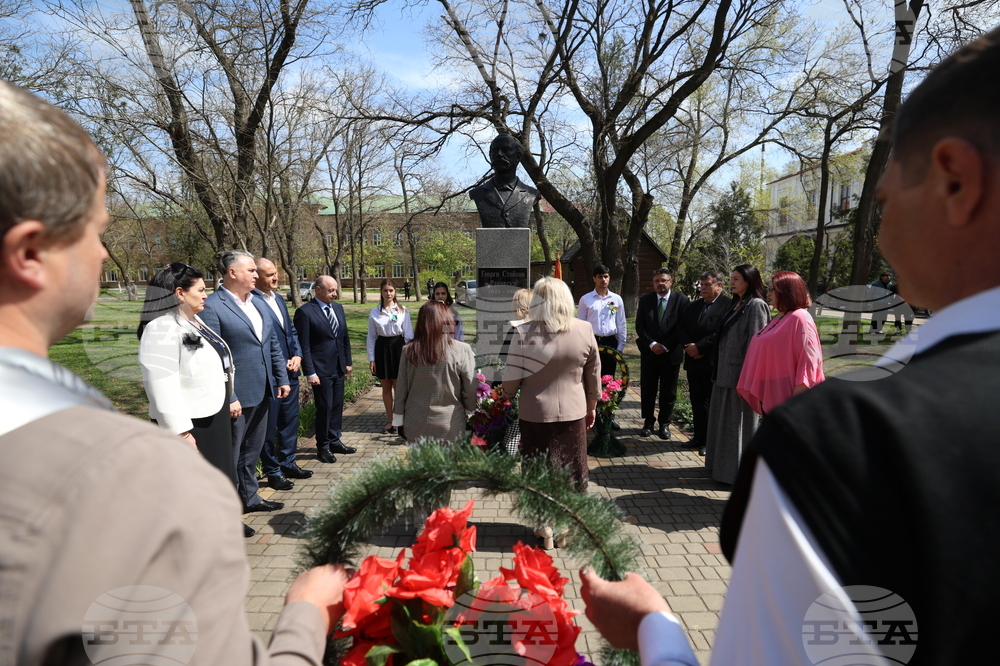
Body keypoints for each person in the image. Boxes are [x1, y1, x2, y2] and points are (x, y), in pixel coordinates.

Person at [585, 29, 1000, 664]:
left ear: (954, 180)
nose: (880, 211)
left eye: (888, 184)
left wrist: (655, 629)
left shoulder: (846, 447)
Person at [0, 78, 347, 665]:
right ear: (31, 253)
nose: (105, 255)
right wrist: (307, 613)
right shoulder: (122, 480)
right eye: (97, 230)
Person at [200, 250, 291, 514]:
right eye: (251, 270)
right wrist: (228, 396)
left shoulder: (258, 302)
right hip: (236, 395)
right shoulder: (213, 306)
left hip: (263, 389)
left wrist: (280, 378)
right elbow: (214, 355)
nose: (256, 274)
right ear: (232, 273)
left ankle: (249, 497)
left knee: (252, 450)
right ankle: (229, 506)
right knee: (233, 452)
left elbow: (272, 343)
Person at [502, 277, 600, 504]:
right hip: (573, 411)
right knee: (572, 469)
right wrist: (592, 405)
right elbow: (593, 374)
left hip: (534, 412)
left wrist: (505, 396)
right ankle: (568, 520)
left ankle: (543, 522)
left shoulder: (522, 332)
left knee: (538, 469)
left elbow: (511, 377)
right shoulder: (585, 329)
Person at [702, 264, 769, 485]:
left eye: (736, 279)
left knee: (737, 426)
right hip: (723, 372)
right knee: (722, 425)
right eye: (731, 278)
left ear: (749, 281)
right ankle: (719, 469)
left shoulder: (756, 305)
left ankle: (736, 474)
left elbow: (756, 346)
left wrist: (747, 379)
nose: (731, 282)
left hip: (739, 376)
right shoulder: (736, 302)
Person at [253, 257, 313, 491]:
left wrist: (298, 355)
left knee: (290, 420)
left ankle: (289, 462)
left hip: (291, 371)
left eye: (275, 272)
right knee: (269, 425)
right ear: (256, 277)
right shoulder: (253, 302)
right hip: (271, 374)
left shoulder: (278, 298)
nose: (276, 277)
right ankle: (273, 470)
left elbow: (291, 332)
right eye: (269, 274)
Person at [737, 271, 825, 416]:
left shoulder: (800, 317)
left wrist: (791, 406)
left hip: (789, 402)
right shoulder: (782, 315)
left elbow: (809, 365)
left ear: (786, 292)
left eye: (773, 289)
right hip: (774, 396)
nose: (768, 293)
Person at [393, 301, 477, 443]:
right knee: (448, 465)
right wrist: (472, 413)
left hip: (415, 423)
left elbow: (401, 389)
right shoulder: (462, 350)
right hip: (450, 424)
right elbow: (470, 388)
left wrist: (397, 420)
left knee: (420, 465)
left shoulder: (408, 350)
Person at [293, 276, 356, 463]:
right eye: (331, 290)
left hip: (338, 367)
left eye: (335, 290)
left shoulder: (337, 308)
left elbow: (343, 337)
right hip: (320, 370)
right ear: (318, 290)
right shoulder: (304, 312)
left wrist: (347, 361)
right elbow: (303, 345)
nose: (334, 294)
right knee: (325, 407)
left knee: (337, 405)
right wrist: (310, 372)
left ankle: (335, 439)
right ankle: (323, 446)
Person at [678, 270, 732, 453]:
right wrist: (689, 347)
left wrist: (700, 347)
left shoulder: (729, 305)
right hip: (693, 361)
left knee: (711, 402)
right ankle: (698, 436)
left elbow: (722, 333)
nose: (703, 288)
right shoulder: (694, 306)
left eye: (707, 284)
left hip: (712, 361)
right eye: (701, 285)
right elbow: (682, 328)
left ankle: (710, 441)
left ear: (719, 285)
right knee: (696, 400)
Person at [634, 268, 690, 440]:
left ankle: (664, 423)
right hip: (650, 353)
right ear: (653, 283)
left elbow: (682, 327)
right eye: (657, 281)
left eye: (664, 280)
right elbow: (640, 326)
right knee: (648, 388)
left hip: (671, 353)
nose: (660, 284)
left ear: (671, 281)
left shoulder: (682, 300)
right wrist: (652, 344)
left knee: (669, 391)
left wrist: (665, 346)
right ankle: (648, 422)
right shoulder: (645, 300)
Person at [367, 278, 414, 435]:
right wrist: (371, 359)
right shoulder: (374, 312)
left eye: (391, 290)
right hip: (382, 350)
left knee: (399, 387)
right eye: (385, 290)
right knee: (386, 387)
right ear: (381, 292)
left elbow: (408, 334)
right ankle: (390, 421)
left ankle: (400, 420)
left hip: (399, 349)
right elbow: (371, 337)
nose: (388, 293)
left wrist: (409, 354)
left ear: (395, 292)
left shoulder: (402, 310)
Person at [469, 134, 541, 228]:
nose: (499, 154)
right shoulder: (478, 193)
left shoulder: (531, 194)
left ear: (518, 156)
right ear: (490, 156)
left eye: (506, 150)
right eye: (495, 150)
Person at [577, 264, 627, 379]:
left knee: (608, 377)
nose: (603, 280)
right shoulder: (586, 299)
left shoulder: (616, 299)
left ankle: (608, 397)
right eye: (600, 277)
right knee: (592, 375)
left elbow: (621, 322)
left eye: (606, 276)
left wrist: (620, 345)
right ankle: (592, 397)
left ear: (609, 278)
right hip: (593, 341)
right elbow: (581, 324)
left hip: (611, 341)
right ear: (594, 278)